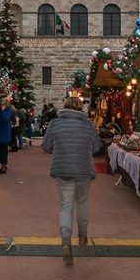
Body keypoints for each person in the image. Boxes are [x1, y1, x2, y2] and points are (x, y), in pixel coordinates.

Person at [42, 96, 99, 266]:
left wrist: (59, 151)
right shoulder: (87, 125)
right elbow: (97, 146)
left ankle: (66, 240)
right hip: (83, 169)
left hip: (62, 169)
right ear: (81, 108)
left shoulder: (55, 124)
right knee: (82, 202)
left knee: (66, 205)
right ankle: (82, 236)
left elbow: (46, 146)